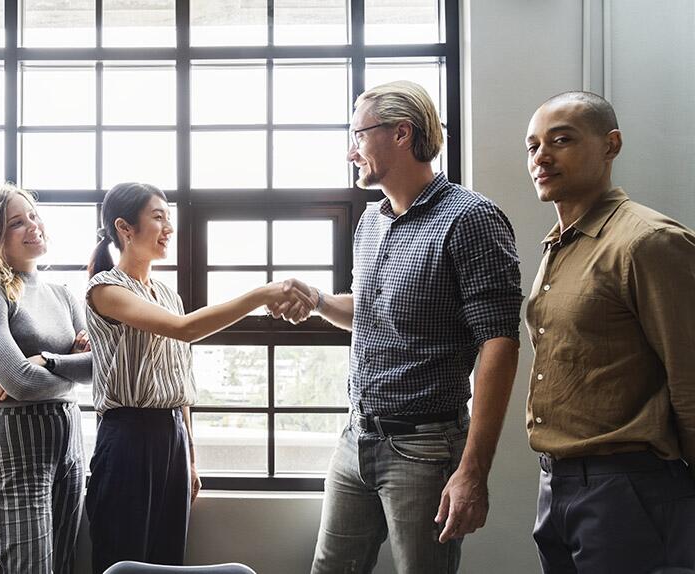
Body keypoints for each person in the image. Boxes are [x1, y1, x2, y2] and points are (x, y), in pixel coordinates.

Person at [273, 80, 523, 574]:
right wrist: (319, 301)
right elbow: (370, 309)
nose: (351, 151)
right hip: (356, 437)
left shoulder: (470, 218)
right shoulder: (372, 220)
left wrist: (473, 470)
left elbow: (500, 343)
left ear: (402, 133)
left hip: (426, 449)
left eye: (358, 135)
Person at [84, 182, 311, 574]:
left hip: (171, 438)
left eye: (168, 218)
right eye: (158, 218)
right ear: (125, 228)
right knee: (123, 558)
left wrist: (189, 457)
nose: (168, 228)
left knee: (168, 557)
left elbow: (179, 380)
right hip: (126, 440)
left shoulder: (168, 295)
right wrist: (261, 294)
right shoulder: (105, 289)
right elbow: (185, 330)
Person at [524, 91, 695, 573]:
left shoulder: (649, 242)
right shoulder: (560, 246)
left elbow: (690, 376)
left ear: (610, 145)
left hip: (630, 485)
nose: (542, 156)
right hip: (557, 485)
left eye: (561, 140)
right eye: (532, 146)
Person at [0, 184, 92, 574]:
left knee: (65, 565)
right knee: (29, 569)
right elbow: (19, 383)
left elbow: (100, 369)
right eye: (17, 222)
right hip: (16, 441)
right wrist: (68, 358)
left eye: (33, 215)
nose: (32, 226)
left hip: (70, 439)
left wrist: (47, 361)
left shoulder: (63, 294)